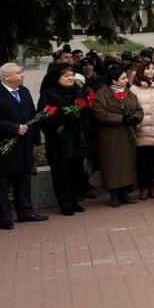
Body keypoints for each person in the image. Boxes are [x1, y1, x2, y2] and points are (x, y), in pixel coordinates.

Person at [0, 63, 49, 229]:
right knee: (2, 184)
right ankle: (3, 216)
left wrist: (34, 138)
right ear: (6, 77)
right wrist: (14, 128)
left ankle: (25, 211)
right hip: (3, 147)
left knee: (23, 179)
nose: (22, 75)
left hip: (23, 146)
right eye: (18, 73)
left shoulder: (23, 92)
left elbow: (32, 114)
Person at [38, 64, 90, 216]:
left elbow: (87, 112)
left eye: (72, 75)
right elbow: (43, 118)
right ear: (57, 78)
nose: (70, 78)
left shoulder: (78, 91)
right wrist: (61, 119)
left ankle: (74, 200)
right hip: (59, 141)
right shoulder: (49, 94)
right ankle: (65, 203)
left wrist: (81, 117)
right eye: (66, 76)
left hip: (77, 139)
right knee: (61, 174)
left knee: (76, 172)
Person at [90, 65, 141, 207]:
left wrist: (136, 117)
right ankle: (114, 195)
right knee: (112, 165)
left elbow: (138, 108)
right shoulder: (102, 93)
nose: (126, 80)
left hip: (127, 135)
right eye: (123, 78)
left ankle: (125, 193)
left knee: (127, 164)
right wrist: (121, 119)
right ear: (114, 80)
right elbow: (100, 113)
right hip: (111, 136)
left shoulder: (129, 93)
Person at [128, 59, 154, 200]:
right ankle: (143, 187)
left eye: (152, 68)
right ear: (141, 71)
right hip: (141, 130)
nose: (150, 71)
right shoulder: (134, 89)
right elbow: (132, 110)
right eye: (147, 69)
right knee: (142, 162)